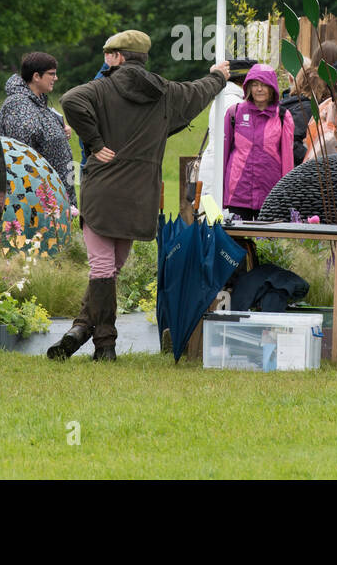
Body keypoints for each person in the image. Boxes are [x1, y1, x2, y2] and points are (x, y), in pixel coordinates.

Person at [51, 30, 229, 362]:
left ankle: (103, 343)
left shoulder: (99, 88)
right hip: (139, 194)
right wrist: (218, 76)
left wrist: (95, 142)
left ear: (117, 58)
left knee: (104, 267)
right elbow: (199, 91)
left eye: (108, 54)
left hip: (103, 191)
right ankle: (82, 330)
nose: (105, 60)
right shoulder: (166, 91)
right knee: (110, 267)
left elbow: (69, 100)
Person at [0, 52, 75, 206]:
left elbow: (41, 133)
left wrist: (61, 131)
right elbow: (21, 158)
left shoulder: (38, 101)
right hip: (38, 201)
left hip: (54, 195)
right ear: (36, 76)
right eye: (51, 74)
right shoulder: (18, 105)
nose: (56, 78)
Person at [221, 64, 294, 220]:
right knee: (237, 240)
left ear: (272, 88)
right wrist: (222, 192)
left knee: (270, 241)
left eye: (264, 85)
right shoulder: (234, 113)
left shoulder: (283, 116)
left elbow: (287, 159)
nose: (259, 89)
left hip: (270, 190)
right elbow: (224, 154)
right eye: (255, 84)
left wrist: (286, 195)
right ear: (248, 87)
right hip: (238, 191)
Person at [198, 59, 253, 207]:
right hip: (222, 171)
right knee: (218, 224)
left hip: (212, 169)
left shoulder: (224, 99)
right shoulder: (237, 104)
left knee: (208, 221)